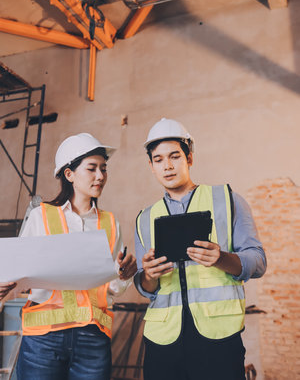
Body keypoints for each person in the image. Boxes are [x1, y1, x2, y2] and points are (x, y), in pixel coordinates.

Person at [134, 118, 267, 380]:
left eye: (175, 156)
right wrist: (149, 275)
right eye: (159, 159)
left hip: (218, 336)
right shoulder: (144, 218)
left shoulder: (228, 200)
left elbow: (258, 261)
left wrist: (221, 258)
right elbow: (144, 286)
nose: (168, 166)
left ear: (190, 158)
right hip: (162, 341)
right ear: (151, 166)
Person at [0, 132, 137, 380]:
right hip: (44, 339)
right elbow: (17, 273)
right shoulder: (41, 216)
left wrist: (125, 274)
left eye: (104, 169)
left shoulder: (110, 222)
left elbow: (114, 288)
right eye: (92, 169)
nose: (100, 176)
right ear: (69, 174)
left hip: (92, 339)